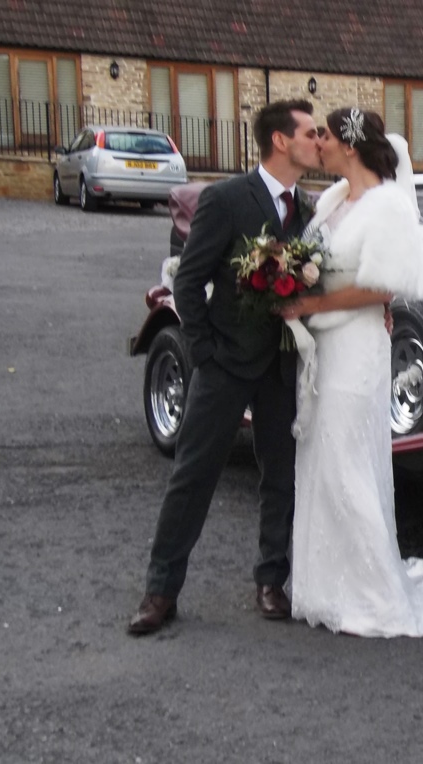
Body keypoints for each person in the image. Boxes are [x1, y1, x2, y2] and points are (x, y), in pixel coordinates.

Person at [127, 99, 322, 635]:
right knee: (193, 476)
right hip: (224, 365)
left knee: (281, 477)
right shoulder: (227, 199)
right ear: (280, 141)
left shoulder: (308, 211)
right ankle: (161, 591)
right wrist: (205, 351)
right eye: (310, 132)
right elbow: (186, 282)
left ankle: (270, 581)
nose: (318, 140)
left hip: (281, 366)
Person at [279, 107, 423, 637]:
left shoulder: (386, 206)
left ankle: (372, 594)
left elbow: (384, 288)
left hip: (357, 348)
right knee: (321, 455)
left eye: (327, 137)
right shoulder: (337, 199)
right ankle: (325, 585)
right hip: (325, 346)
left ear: (350, 147)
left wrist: (308, 305)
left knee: (347, 462)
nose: (319, 145)